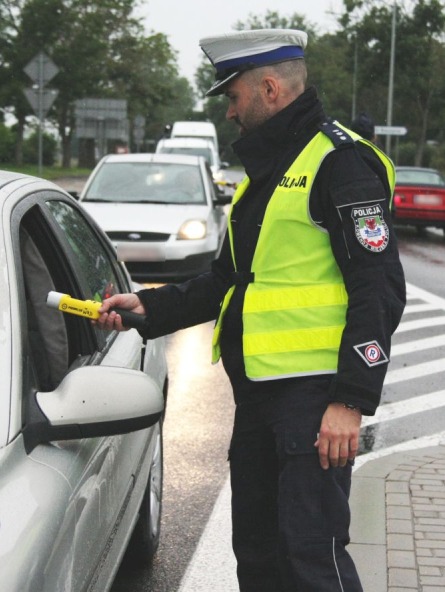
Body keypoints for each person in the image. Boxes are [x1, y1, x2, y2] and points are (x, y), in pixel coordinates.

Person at [97, 29, 406, 591]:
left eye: (234, 97)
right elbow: (231, 280)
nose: (230, 112)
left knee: (312, 559)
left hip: (315, 401)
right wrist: (148, 306)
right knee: (260, 558)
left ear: (269, 89)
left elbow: (378, 287)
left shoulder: (342, 163)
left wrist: (350, 400)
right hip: (260, 399)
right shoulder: (268, 171)